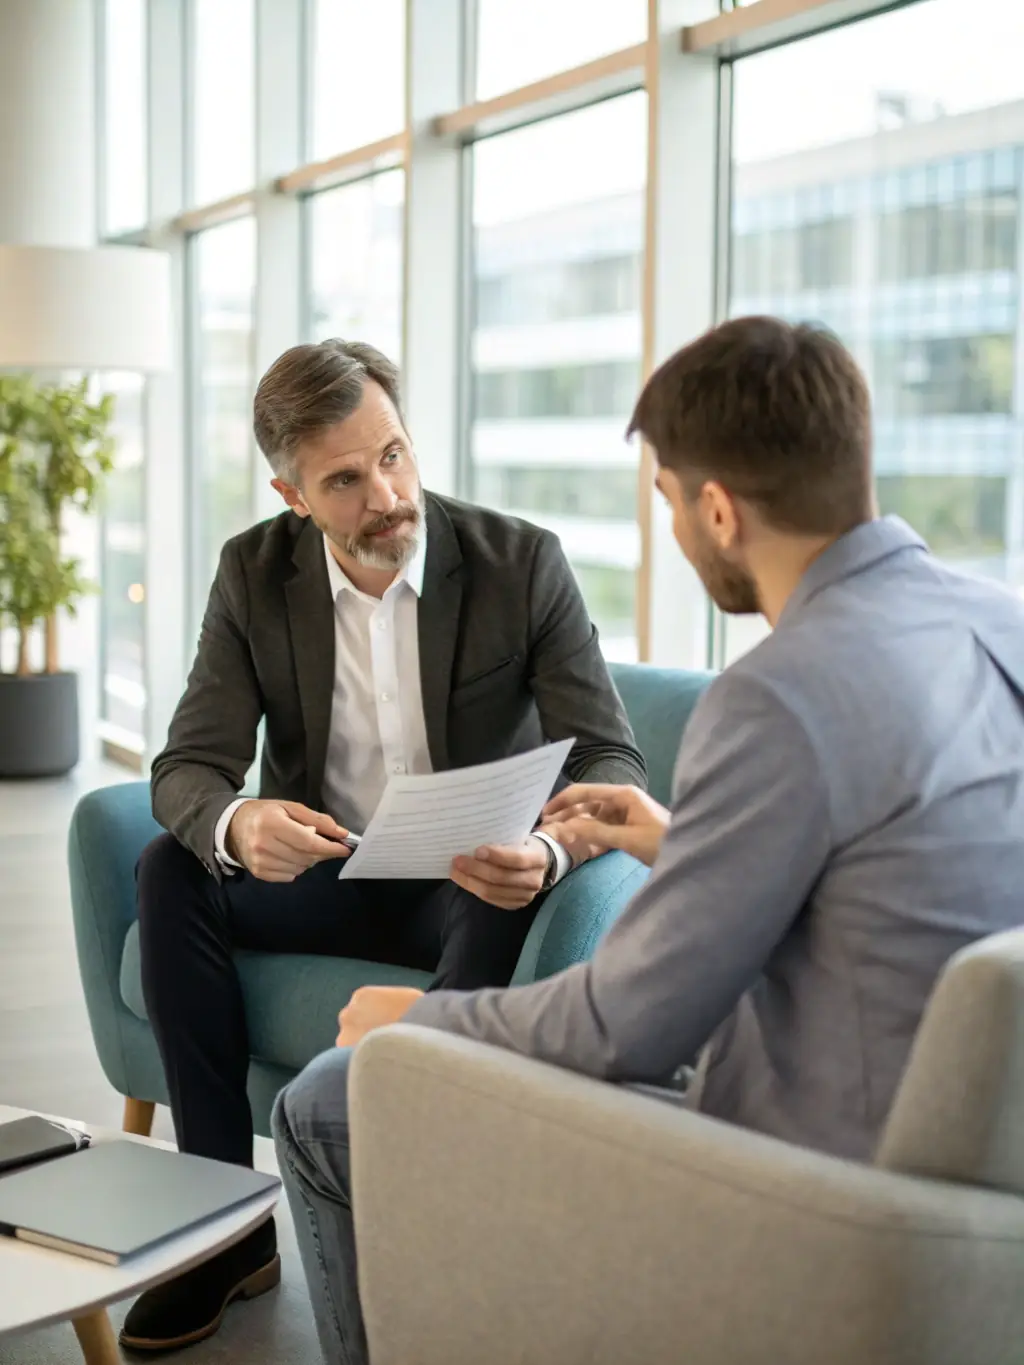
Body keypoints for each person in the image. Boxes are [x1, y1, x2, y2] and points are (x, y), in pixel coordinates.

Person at [272, 315, 1024, 1365]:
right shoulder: (997, 625)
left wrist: (423, 1021)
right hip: (972, 1172)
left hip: (810, 1189)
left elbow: (625, 1027)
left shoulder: (775, 695)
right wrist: (682, 841)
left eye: (667, 500)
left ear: (717, 511)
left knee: (325, 1099)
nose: (671, 527)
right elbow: (902, 879)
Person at [119, 339, 645, 1354]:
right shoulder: (252, 573)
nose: (389, 496)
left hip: (472, 877)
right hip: (332, 869)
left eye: (394, 455)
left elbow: (610, 755)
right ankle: (223, 1236)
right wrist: (240, 823)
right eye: (346, 481)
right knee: (169, 867)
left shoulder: (519, 561)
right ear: (292, 494)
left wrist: (547, 851)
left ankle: (432, 1231)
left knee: (495, 891)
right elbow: (187, 765)